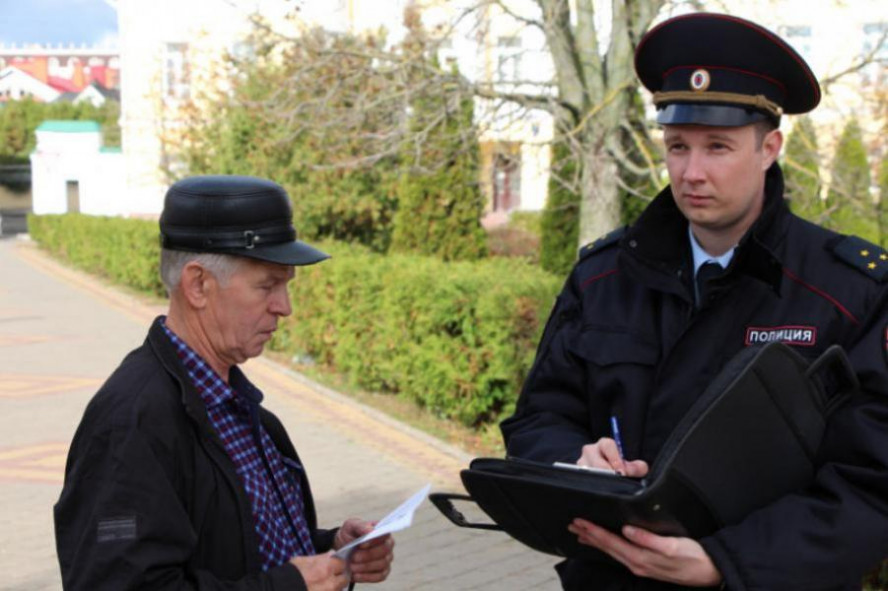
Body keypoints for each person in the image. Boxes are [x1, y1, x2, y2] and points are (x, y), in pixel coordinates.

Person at [500, 12, 888, 591]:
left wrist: (726, 563)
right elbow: (538, 417)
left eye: (718, 147)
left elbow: (871, 485)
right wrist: (574, 460)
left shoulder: (849, 292)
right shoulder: (604, 276)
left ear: (770, 148)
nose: (692, 172)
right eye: (677, 146)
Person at [54, 175, 395, 590]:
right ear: (199, 285)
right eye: (267, 286)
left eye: (287, 286)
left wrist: (331, 552)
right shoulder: (133, 421)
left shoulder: (234, 404)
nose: (284, 307)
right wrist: (287, 586)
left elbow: (240, 550)